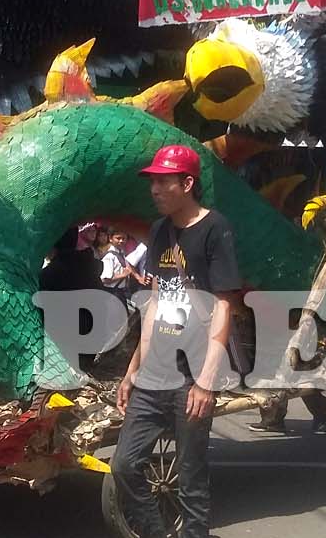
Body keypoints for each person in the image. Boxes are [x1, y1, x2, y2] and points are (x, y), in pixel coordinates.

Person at [113, 145, 240, 538]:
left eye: (163, 181)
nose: (154, 189)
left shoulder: (215, 228)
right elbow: (156, 304)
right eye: (152, 181)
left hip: (192, 376)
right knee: (124, 466)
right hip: (155, 374)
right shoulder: (159, 231)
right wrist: (133, 370)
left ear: (187, 183)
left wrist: (206, 381)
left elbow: (224, 306)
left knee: (191, 479)